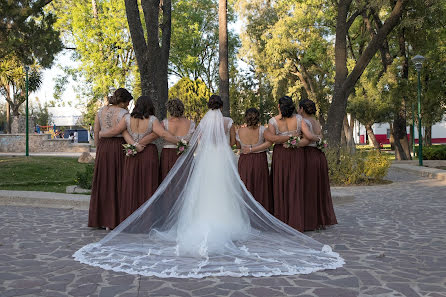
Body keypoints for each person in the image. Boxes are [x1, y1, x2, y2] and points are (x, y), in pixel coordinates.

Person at [73, 96, 344, 278]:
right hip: (222, 159)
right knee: (226, 190)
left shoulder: (202, 122)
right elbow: (229, 144)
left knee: (201, 192)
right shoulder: (227, 122)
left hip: (206, 160)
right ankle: (228, 219)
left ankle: (199, 219)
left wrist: (183, 147)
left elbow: (196, 142)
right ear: (222, 106)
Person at [100, 96, 178, 223]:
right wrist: (180, 142)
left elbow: (115, 131)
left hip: (132, 154)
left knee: (131, 185)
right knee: (148, 185)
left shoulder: (127, 118)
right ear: (150, 106)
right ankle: (147, 220)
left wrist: (101, 134)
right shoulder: (153, 120)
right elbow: (163, 134)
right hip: (148, 154)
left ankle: (129, 220)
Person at [264, 96, 320, 231]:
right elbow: (308, 137)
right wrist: (295, 140)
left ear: (279, 106)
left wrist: (284, 139)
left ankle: (282, 221)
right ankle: (298, 220)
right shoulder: (300, 119)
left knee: (281, 185)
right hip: (297, 153)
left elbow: (272, 139)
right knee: (297, 185)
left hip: (281, 154)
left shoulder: (273, 121)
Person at [88, 88, 132, 230]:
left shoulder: (100, 111)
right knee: (117, 181)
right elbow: (122, 131)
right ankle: (114, 220)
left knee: (103, 181)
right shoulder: (124, 114)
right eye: (128, 103)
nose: (128, 106)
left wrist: (98, 147)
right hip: (117, 147)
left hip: (103, 148)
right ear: (124, 101)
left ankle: (100, 219)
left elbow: (96, 130)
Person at [298, 99, 337, 230]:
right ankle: (319, 219)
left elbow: (306, 139)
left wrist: (292, 144)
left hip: (308, 155)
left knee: (309, 188)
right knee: (318, 187)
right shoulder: (316, 121)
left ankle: (310, 221)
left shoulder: (303, 121)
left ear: (302, 109)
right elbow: (319, 136)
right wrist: (319, 139)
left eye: (299, 108)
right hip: (319, 155)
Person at [236, 108, 273, 213]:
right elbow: (269, 143)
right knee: (260, 186)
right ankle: (261, 212)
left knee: (246, 185)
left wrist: (249, 148)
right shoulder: (263, 129)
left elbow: (238, 145)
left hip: (245, 160)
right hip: (259, 159)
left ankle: (247, 213)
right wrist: (254, 149)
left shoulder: (240, 130)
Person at [160, 98, 195, 181]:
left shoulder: (164, 123)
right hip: (185, 155)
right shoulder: (191, 124)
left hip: (168, 155)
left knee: (167, 181)